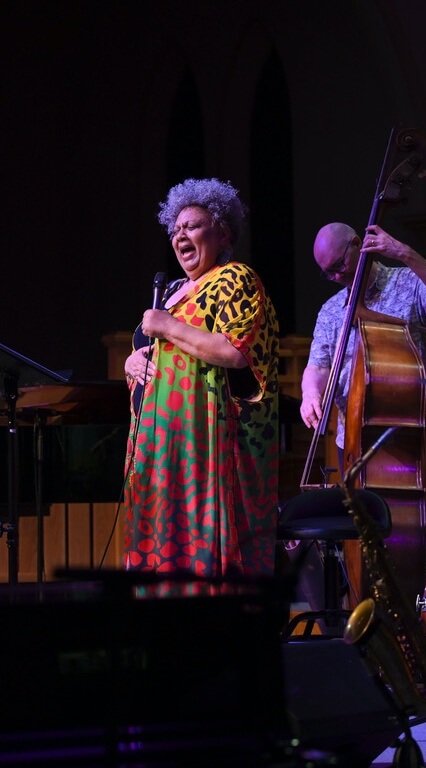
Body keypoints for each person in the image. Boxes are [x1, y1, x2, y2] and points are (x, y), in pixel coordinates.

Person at [122, 178, 280, 581]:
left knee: (204, 548)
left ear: (223, 232)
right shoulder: (172, 291)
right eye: (175, 230)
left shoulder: (237, 279)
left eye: (191, 226)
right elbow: (153, 352)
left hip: (208, 445)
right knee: (159, 543)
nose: (180, 236)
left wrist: (168, 327)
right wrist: (132, 361)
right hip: (158, 446)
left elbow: (234, 352)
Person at [300, 221, 426, 536]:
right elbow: (318, 366)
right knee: (358, 534)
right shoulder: (332, 310)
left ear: (357, 244)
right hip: (351, 437)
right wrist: (310, 394)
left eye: (339, 265)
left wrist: (405, 253)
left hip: (406, 433)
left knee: (414, 532)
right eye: (328, 273)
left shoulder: (406, 283)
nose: (336, 276)